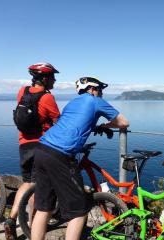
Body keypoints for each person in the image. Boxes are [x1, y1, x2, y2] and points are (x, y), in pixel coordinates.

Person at [31, 77, 129, 240]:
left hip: (42, 150)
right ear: (91, 89)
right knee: (79, 213)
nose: (101, 94)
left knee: (44, 209)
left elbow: (71, 125)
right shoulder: (95, 101)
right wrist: (105, 126)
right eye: (100, 90)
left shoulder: (72, 103)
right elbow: (124, 122)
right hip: (60, 156)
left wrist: (94, 128)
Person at [4, 62, 60, 240]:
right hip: (41, 146)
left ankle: (11, 219)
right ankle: (33, 227)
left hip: (23, 144)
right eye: (52, 77)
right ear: (44, 79)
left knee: (27, 182)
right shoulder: (47, 98)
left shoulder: (23, 91)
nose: (54, 80)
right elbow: (59, 122)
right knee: (38, 188)